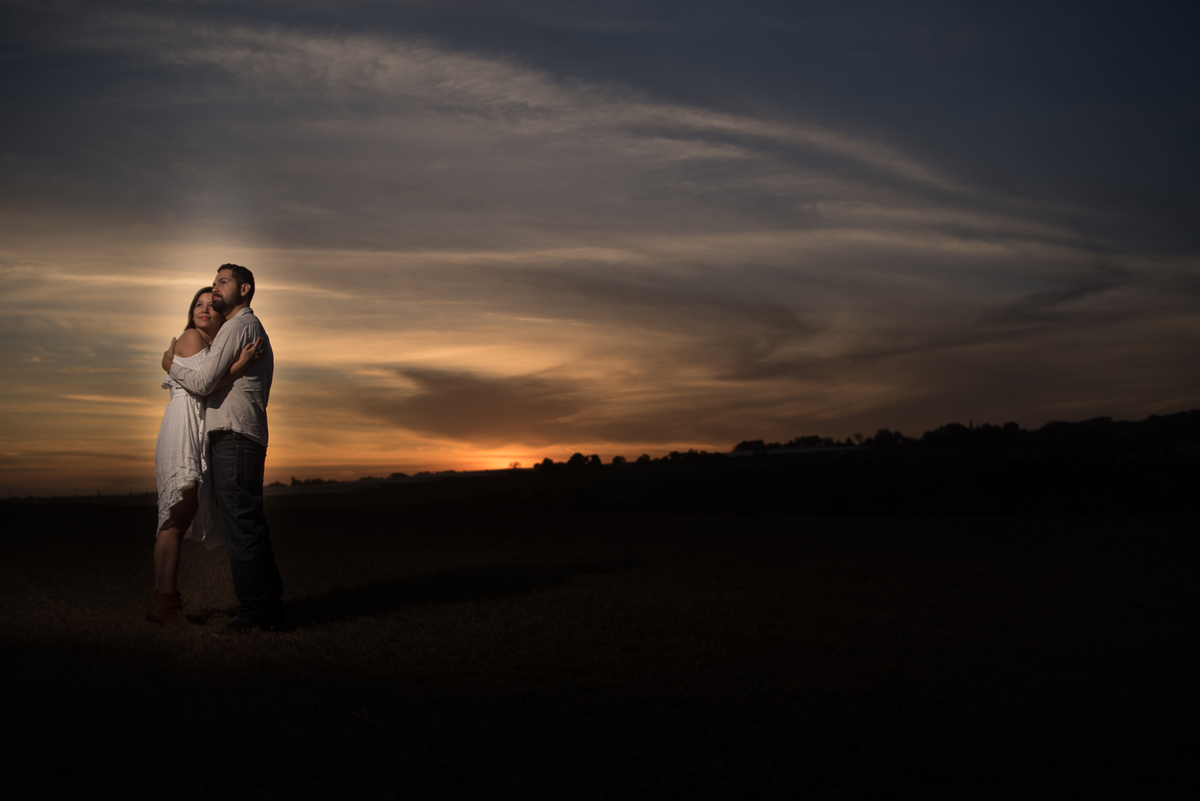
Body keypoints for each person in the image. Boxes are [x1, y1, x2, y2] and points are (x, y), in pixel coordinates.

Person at [162, 264, 283, 633]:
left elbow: (201, 382)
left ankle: (255, 613)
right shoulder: (246, 326)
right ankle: (268, 606)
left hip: (233, 435)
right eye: (214, 282)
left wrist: (170, 365)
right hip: (243, 434)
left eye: (223, 282)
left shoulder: (235, 326)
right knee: (249, 522)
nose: (215, 287)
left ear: (244, 289)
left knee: (240, 525)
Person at [148, 288, 261, 627]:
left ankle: (163, 602)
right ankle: (166, 604)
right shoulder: (191, 337)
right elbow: (203, 385)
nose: (203, 309)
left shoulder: (212, 347)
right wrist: (240, 366)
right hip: (183, 425)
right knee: (174, 518)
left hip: (194, 425)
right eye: (198, 304)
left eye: (211, 305)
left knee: (177, 519)